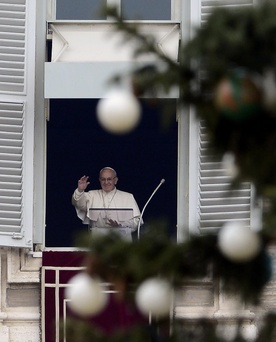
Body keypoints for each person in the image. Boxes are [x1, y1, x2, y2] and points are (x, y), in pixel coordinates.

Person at [72, 167, 142, 241]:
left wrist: (121, 226)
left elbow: (137, 220)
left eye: (109, 179)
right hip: (98, 240)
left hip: (122, 241)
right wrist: (80, 190)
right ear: (99, 180)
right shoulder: (92, 195)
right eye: (103, 179)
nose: (106, 182)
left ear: (115, 180)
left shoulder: (127, 197)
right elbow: (78, 203)